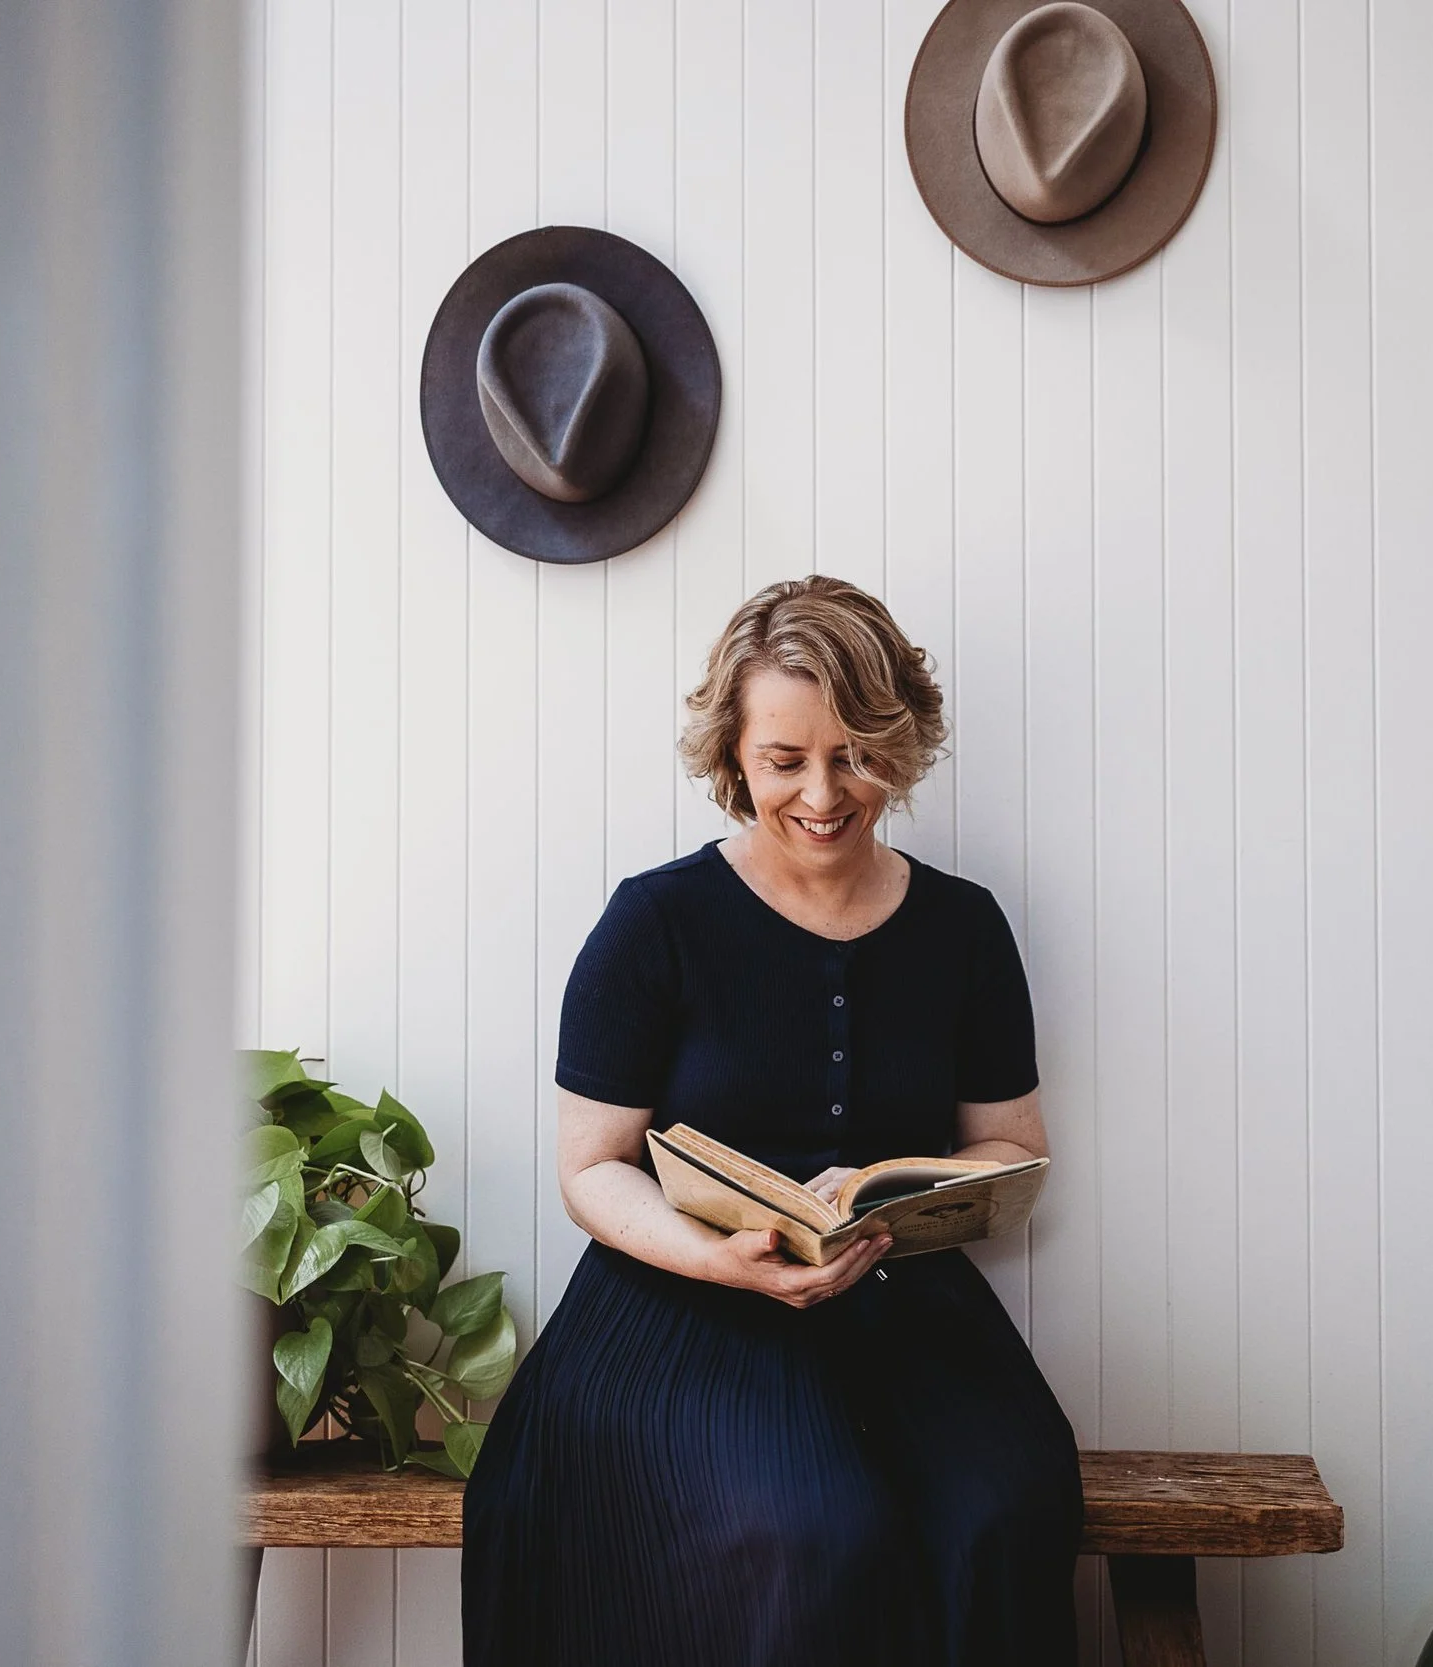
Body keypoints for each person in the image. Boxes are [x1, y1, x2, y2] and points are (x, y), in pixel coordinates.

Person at [461, 575, 1082, 1666]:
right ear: (732, 756)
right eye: (783, 760)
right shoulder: (654, 922)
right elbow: (592, 1168)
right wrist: (724, 1258)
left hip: (905, 1308)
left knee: (1004, 1512)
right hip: (680, 1313)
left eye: (854, 754)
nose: (823, 793)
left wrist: (902, 1191)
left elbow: (1011, 1141)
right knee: (810, 1537)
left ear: (900, 740)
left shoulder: (964, 928)